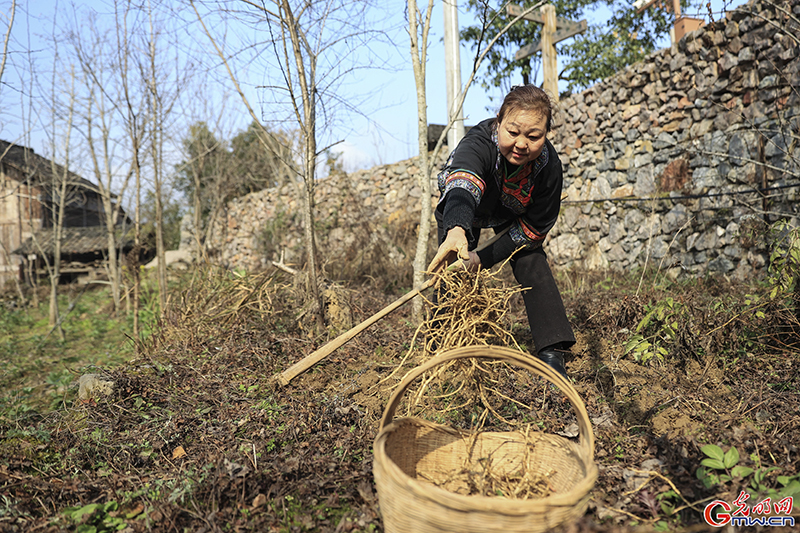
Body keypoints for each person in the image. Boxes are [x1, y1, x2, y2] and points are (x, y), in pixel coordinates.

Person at [426, 84, 575, 379]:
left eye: (533, 136)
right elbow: (462, 184)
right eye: (513, 132)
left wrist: (483, 258)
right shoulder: (479, 143)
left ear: (545, 135)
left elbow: (534, 227)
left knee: (530, 258)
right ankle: (441, 347)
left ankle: (552, 350)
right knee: (454, 267)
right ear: (499, 122)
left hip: (512, 213)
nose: (522, 144)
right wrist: (456, 229)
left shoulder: (549, 167)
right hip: (466, 207)